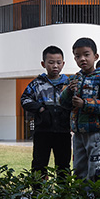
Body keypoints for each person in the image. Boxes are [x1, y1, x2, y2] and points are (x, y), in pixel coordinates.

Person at [58, 37, 100, 181]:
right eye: (78, 56)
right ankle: (82, 195)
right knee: (79, 169)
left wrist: (85, 104)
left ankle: (99, 195)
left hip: (97, 132)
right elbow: (62, 103)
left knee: (97, 170)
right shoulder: (73, 79)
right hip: (78, 133)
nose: (82, 59)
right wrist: (68, 91)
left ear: (95, 56)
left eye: (86, 54)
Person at [20, 46, 72, 185]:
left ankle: (64, 193)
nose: (55, 66)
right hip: (42, 131)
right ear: (43, 64)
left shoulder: (69, 84)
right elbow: (24, 100)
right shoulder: (37, 83)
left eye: (58, 62)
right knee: (39, 165)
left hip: (63, 132)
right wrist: (40, 109)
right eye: (51, 62)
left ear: (63, 64)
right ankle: (38, 194)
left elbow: (75, 102)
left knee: (63, 166)